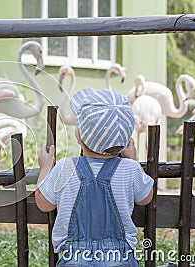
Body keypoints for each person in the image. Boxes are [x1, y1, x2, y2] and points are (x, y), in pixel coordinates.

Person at [36, 88, 154, 266]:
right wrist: (133, 159)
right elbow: (146, 198)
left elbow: (43, 204)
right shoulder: (130, 169)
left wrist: (45, 167)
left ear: (80, 137)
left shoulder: (65, 168)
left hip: (75, 260)